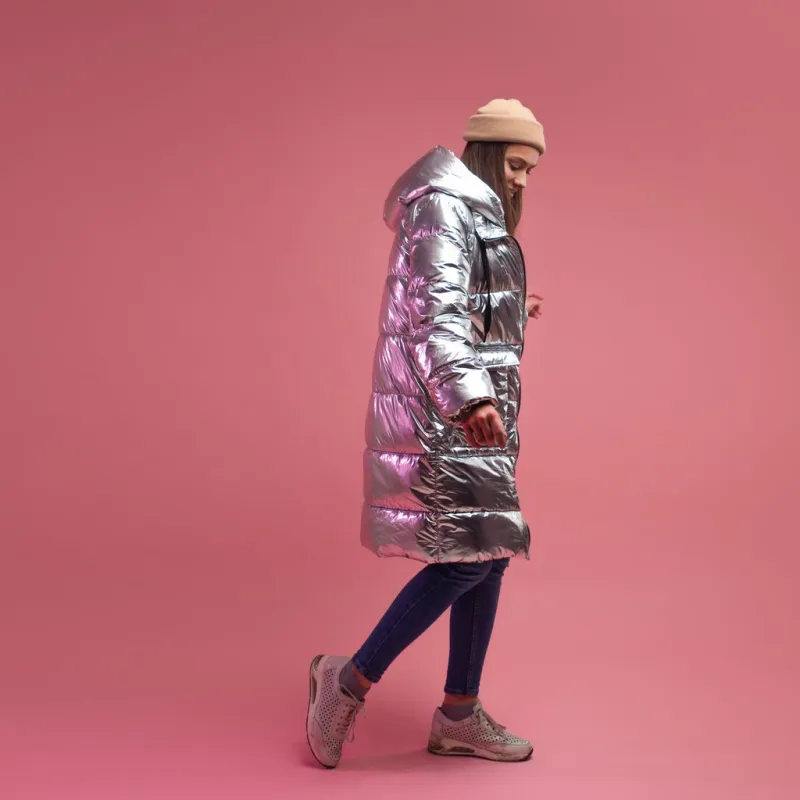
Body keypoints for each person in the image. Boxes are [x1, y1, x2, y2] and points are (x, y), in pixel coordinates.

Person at [306, 99, 546, 768]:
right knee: (468, 557)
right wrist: (469, 395)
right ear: (489, 153)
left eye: (533, 169)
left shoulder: (471, 211)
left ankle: (458, 715)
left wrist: (509, 310)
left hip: (464, 406)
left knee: (488, 550)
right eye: (518, 163)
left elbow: (453, 300)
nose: (524, 179)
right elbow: (433, 314)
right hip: (444, 412)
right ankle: (346, 681)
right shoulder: (443, 203)